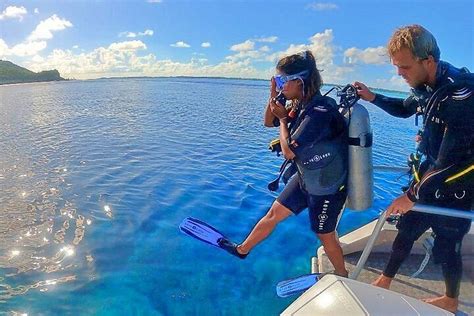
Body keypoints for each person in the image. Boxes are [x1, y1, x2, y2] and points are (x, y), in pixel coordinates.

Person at [354, 24, 473, 313]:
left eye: (404, 67)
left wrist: (410, 196)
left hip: (456, 184)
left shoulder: (461, 96)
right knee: (406, 231)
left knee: (448, 247)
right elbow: (406, 108)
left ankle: (451, 299)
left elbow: (448, 163)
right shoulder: (425, 86)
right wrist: (372, 98)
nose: (399, 74)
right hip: (428, 176)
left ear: (428, 61)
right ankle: (385, 279)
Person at [218, 50, 349, 277]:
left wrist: (282, 119)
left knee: (325, 235)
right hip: (307, 175)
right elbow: (268, 122)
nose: (279, 85)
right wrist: (274, 96)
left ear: (299, 81)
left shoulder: (320, 111)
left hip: (327, 185)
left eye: (282, 81)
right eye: (276, 81)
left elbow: (289, 151)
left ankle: (342, 275)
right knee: (273, 215)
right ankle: (242, 250)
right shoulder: (300, 103)